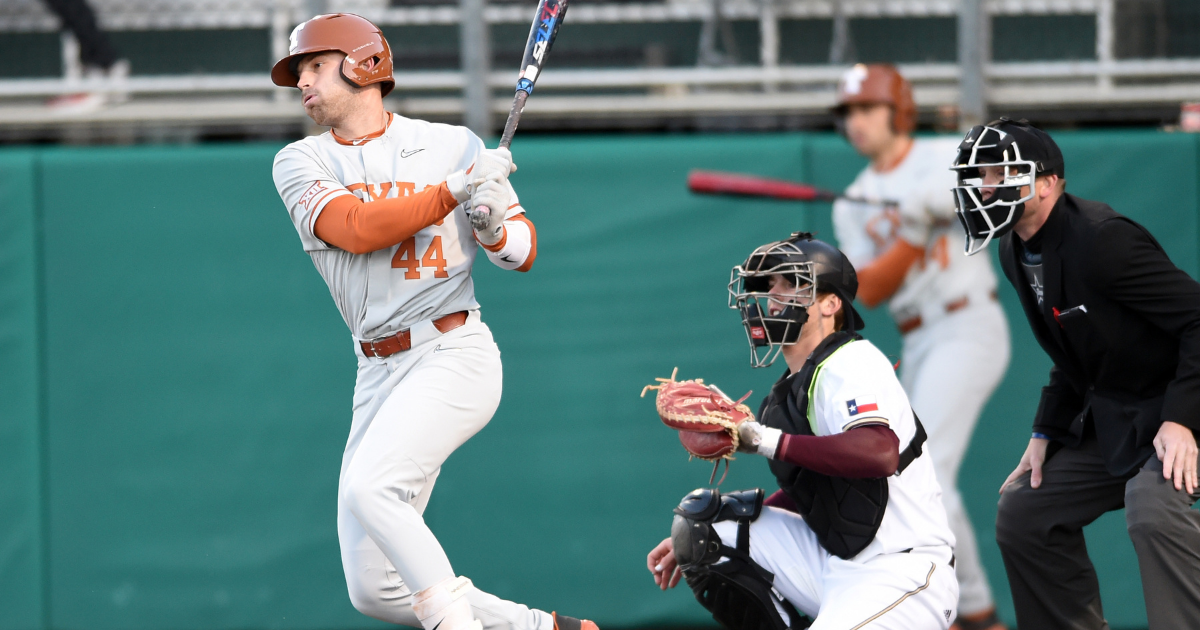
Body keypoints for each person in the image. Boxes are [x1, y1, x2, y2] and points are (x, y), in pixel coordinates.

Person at [269, 13, 595, 630]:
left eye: (314, 66)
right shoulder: (299, 160)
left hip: (453, 352)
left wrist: (493, 226)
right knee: (374, 588)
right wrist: (453, 191)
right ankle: (540, 629)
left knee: (373, 490)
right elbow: (356, 230)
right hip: (377, 368)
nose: (303, 83)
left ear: (363, 64)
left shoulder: (454, 144)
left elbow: (521, 253)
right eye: (300, 73)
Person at [953, 118, 1200, 629]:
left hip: (1184, 408)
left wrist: (1182, 421)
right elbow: (1073, 355)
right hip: (1127, 417)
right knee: (1025, 514)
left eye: (1003, 174)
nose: (987, 187)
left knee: (1153, 506)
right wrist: (1046, 431)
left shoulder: (1104, 240)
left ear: (1048, 183)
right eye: (982, 176)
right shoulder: (1013, 249)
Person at [646, 233, 959, 630]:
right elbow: (814, 492)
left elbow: (879, 452)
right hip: (836, 566)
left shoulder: (852, 361)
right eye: (769, 286)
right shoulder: (788, 393)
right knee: (706, 528)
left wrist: (760, 439)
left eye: (792, 283)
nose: (774, 295)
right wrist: (690, 541)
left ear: (831, 304)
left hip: (902, 569)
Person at [830, 63, 1010, 630]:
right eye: (849, 112)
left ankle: (974, 612)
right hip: (918, 334)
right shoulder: (853, 198)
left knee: (929, 470)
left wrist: (949, 197)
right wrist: (912, 232)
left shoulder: (942, 156)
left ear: (898, 109)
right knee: (907, 474)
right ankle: (966, 607)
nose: (857, 122)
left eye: (868, 108)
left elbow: (1003, 190)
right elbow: (872, 291)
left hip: (967, 322)